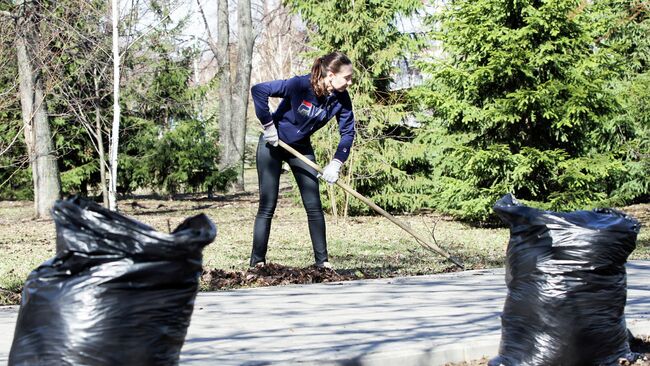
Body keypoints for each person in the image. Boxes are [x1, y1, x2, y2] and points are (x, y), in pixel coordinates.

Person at [249, 51, 356, 269]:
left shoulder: (341, 99)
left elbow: (348, 133)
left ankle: (322, 263)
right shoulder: (299, 85)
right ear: (331, 74)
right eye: (346, 77)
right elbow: (259, 90)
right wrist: (268, 125)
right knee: (267, 205)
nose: (350, 82)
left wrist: (336, 163)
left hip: (300, 148)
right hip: (273, 144)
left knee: (314, 205)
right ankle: (257, 263)